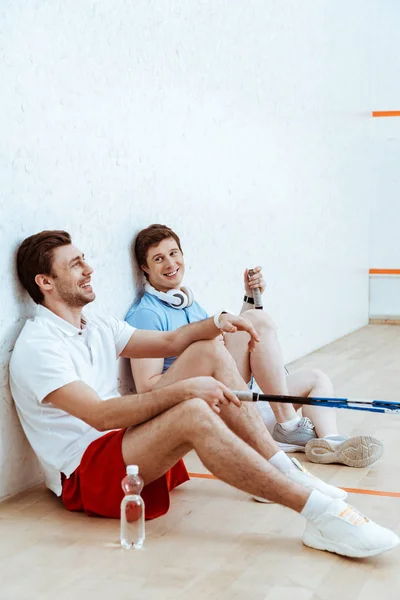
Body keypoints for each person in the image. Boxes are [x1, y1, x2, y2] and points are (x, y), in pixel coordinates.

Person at [9, 230, 398, 559]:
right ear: (45, 282)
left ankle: (284, 467)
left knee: (208, 348)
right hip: (87, 469)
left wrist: (217, 322)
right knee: (194, 410)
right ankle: (321, 516)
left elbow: (174, 339)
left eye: (84, 259)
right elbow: (100, 416)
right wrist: (186, 390)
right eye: (75, 264)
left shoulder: (96, 324)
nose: (89, 268)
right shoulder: (39, 345)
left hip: (121, 442)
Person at [126, 224, 383, 468]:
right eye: (159, 259)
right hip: (206, 403)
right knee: (256, 321)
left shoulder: (189, 305)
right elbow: (148, 389)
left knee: (317, 379)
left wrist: (250, 297)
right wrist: (198, 363)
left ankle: (329, 442)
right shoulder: (147, 314)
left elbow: (234, 339)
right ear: (144, 268)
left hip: (235, 395)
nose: (171, 263)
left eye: (173, 254)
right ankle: (290, 427)